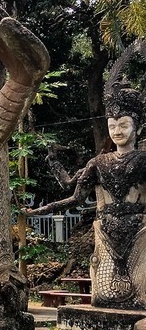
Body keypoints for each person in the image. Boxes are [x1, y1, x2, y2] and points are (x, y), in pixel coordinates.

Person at [28, 82, 146, 309]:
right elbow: (74, 196)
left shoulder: (143, 160)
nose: (117, 131)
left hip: (139, 228)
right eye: (112, 126)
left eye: (123, 125)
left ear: (138, 129)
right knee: (103, 295)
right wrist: (39, 209)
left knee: (140, 295)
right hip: (106, 230)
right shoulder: (98, 163)